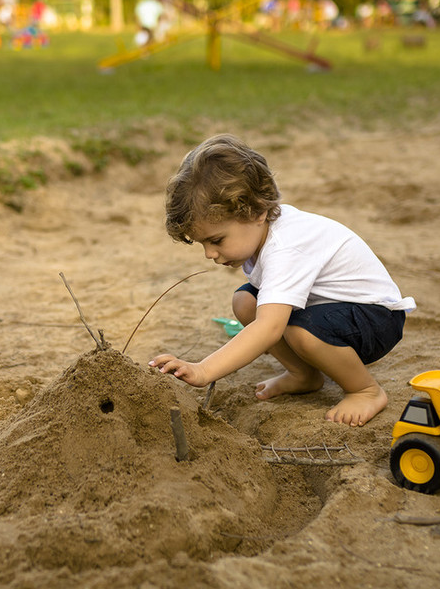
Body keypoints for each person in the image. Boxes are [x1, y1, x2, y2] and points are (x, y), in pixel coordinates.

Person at [149, 134, 416, 427]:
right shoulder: (260, 233)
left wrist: (203, 370)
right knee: (245, 301)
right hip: (331, 308)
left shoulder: (286, 247)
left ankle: (365, 390)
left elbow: (269, 329)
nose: (210, 254)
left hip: (376, 319)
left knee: (301, 333)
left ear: (257, 212)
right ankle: (304, 375)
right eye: (203, 244)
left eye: (216, 240)